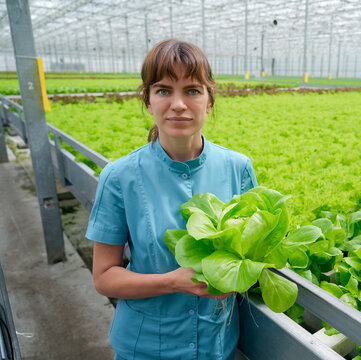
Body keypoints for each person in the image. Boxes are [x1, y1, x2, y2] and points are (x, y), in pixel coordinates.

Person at [86, 39, 257, 360]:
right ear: (148, 101)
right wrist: (172, 282)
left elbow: (252, 253)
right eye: (164, 90)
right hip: (146, 346)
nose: (178, 104)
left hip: (217, 345)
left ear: (209, 101)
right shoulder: (120, 177)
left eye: (192, 90)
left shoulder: (238, 168)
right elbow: (104, 277)